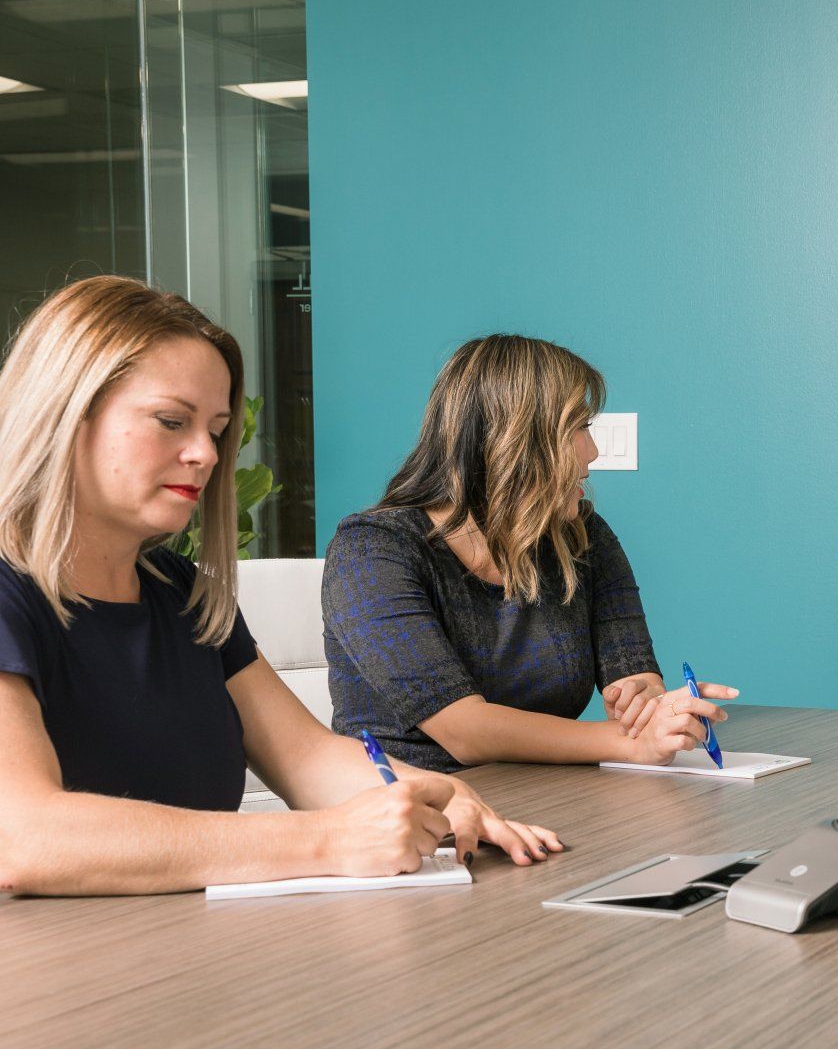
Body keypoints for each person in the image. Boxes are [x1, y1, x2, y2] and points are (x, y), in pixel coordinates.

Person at [0, 276, 559, 896]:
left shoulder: (183, 593)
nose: (207, 456)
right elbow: (24, 836)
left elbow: (308, 758)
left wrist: (441, 796)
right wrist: (328, 840)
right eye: (170, 421)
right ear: (62, 414)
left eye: (215, 430)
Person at [324, 335, 734, 783]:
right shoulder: (372, 551)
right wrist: (631, 742)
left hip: (547, 794)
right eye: (579, 428)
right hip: (410, 812)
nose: (593, 452)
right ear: (517, 440)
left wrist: (646, 701)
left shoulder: (582, 536)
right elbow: (465, 731)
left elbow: (635, 669)